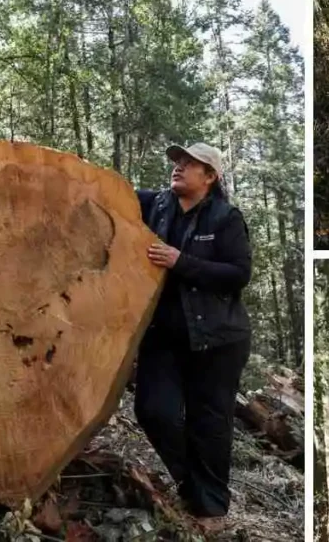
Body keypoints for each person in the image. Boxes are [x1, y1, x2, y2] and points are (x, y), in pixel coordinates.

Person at [133, 142, 252, 533]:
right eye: (177, 162)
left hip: (218, 339)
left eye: (190, 164)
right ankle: (190, 483)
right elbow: (110, 192)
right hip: (163, 335)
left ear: (210, 177)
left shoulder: (225, 218)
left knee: (210, 423)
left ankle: (211, 510)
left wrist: (181, 262)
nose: (178, 168)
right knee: (153, 410)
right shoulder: (156, 205)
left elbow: (237, 274)